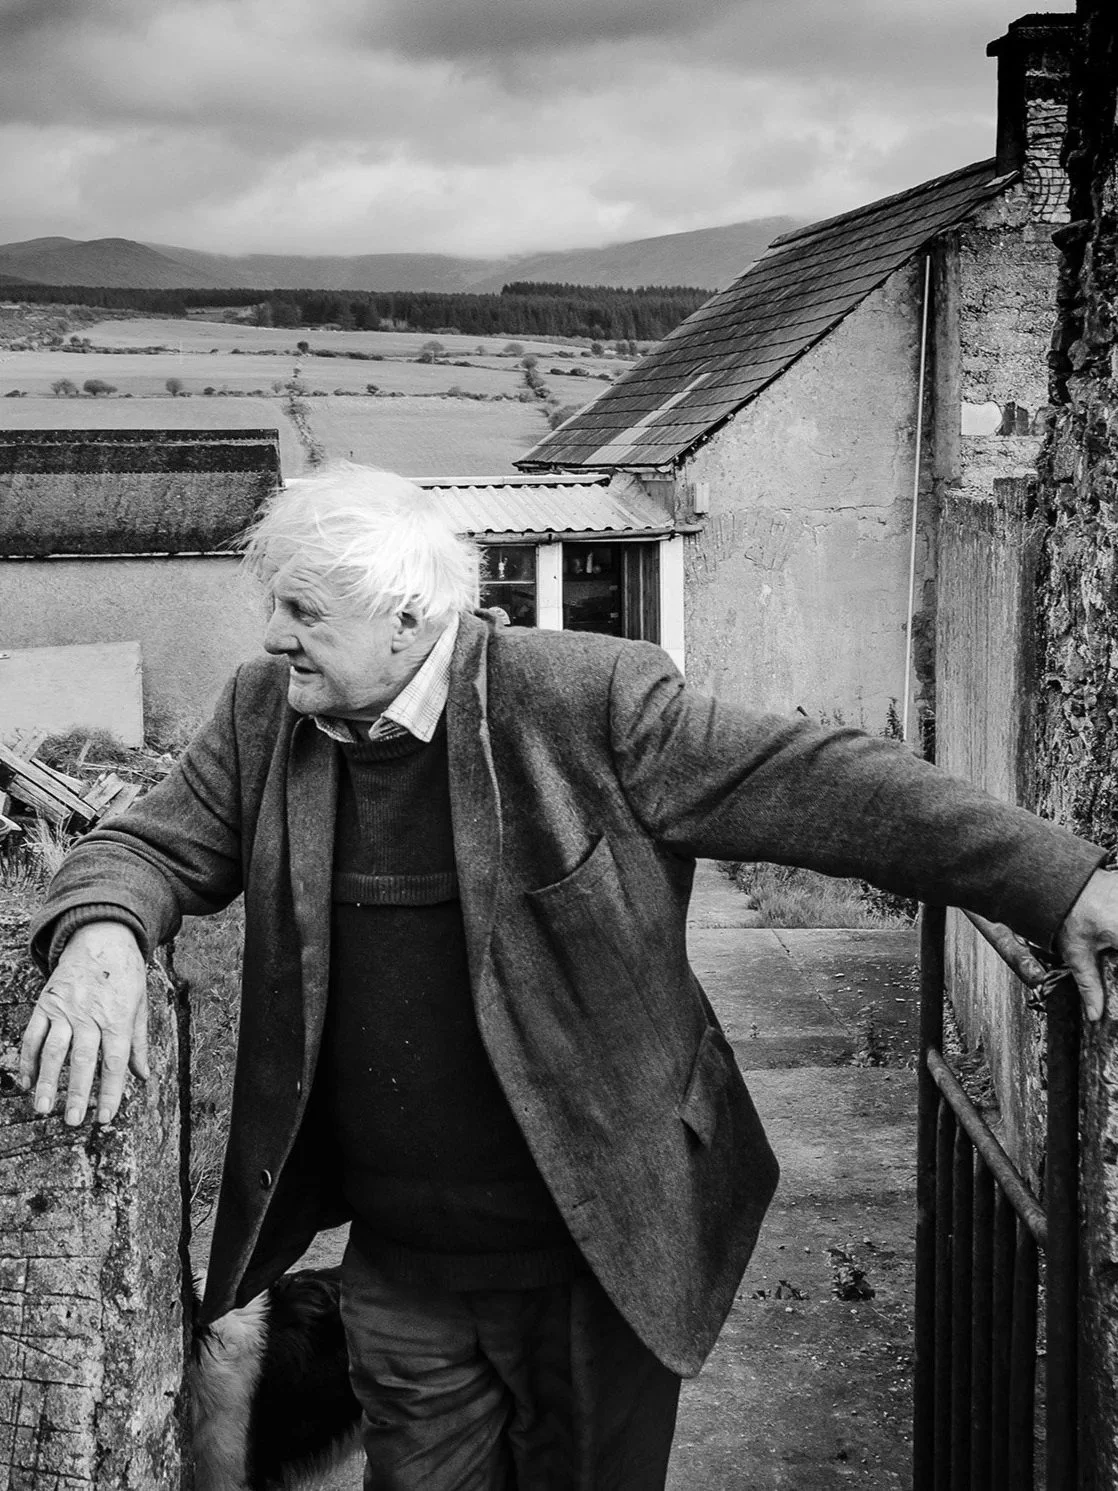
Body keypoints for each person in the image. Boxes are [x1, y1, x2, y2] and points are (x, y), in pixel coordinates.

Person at [19, 464, 1118, 1490]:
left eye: (304, 612)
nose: (273, 637)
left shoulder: (587, 700)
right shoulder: (264, 717)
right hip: (402, 1271)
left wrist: (1052, 882)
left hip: (597, 1253)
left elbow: (823, 782)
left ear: (408, 614)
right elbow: (149, 846)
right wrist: (106, 929)